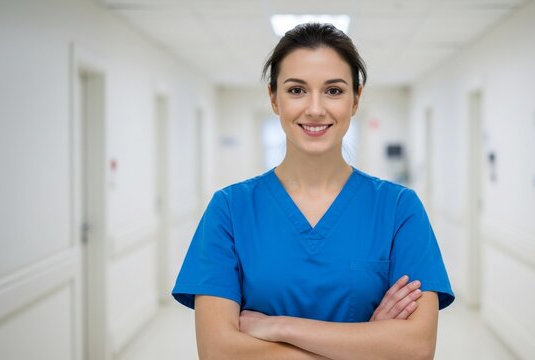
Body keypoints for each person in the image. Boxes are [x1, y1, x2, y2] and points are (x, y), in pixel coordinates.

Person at [172, 22, 454, 360]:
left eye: (333, 90)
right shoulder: (230, 210)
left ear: (356, 99)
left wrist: (281, 328)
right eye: (296, 90)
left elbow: (417, 348)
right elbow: (218, 351)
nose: (316, 108)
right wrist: (367, 341)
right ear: (274, 98)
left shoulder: (398, 208)